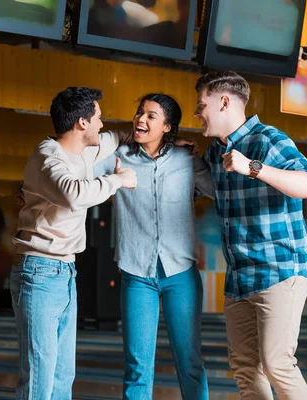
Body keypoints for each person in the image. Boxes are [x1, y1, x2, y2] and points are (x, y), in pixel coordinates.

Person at [194, 70, 307, 400]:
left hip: (279, 271)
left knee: (277, 363)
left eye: (200, 104)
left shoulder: (268, 140)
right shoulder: (213, 153)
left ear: (224, 102)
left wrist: (254, 166)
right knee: (245, 367)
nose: (197, 112)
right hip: (239, 279)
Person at [10, 86, 138, 400]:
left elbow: (118, 137)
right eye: (98, 118)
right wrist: (119, 181)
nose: (101, 125)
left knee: (63, 377)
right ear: (82, 123)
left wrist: (170, 140)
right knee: (40, 377)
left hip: (65, 272)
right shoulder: (47, 156)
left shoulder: (85, 150)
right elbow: (74, 195)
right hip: (39, 272)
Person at [93, 93, 212, 400]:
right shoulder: (119, 156)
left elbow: (217, 189)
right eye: (139, 113)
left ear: (167, 126)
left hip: (181, 275)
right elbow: (83, 166)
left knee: (190, 362)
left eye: (150, 115)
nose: (140, 119)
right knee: (136, 365)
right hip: (137, 274)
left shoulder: (187, 161)